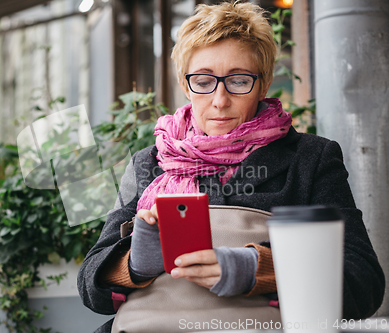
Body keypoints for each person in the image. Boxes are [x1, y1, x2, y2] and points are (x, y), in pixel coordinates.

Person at [77, 2, 385, 332]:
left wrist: (254, 268)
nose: (220, 100)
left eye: (239, 81)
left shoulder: (310, 159)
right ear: (185, 85)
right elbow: (90, 286)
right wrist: (135, 263)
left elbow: (362, 284)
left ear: (263, 84)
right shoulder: (148, 163)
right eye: (204, 81)